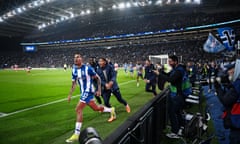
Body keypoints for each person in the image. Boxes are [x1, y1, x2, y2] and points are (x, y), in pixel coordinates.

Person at [66, 54, 116, 143]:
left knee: (78, 109)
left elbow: (98, 78)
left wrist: (99, 90)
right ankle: (110, 110)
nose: (76, 58)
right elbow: (74, 83)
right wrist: (70, 94)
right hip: (83, 92)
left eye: (78, 57)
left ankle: (76, 134)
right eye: (75, 57)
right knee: (96, 108)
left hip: (88, 91)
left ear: (81, 59)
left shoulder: (88, 68)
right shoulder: (74, 70)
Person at [155, 55, 185, 139]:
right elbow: (168, 75)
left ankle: (175, 132)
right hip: (177, 94)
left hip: (177, 95)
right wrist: (161, 72)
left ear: (175, 61)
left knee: (172, 112)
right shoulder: (176, 69)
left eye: (170, 61)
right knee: (177, 112)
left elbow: (171, 79)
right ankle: (181, 127)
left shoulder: (179, 70)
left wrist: (159, 75)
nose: (169, 63)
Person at [214, 62, 240, 144]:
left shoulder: (238, 84)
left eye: (230, 69)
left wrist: (218, 88)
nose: (228, 72)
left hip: (237, 122)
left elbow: (225, 100)